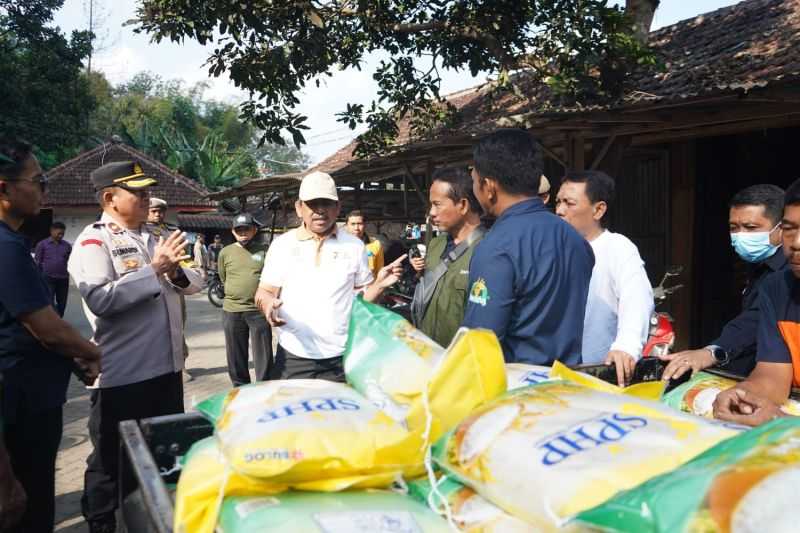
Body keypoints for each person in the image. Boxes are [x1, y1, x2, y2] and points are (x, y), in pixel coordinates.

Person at [68, 160, 203, 533]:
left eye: (146, 191)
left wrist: (174, 270)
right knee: (111, 461)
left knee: (162, 453)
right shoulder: (94, 241)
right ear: (110, 198)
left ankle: (152, 517)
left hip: (166, 369)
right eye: (138, 192)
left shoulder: (158, 235)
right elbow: (101, 300)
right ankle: (100, 522)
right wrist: (155, 269)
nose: (146, 199)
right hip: (123, 375)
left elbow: (195, 282)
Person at [0, 138, 101, 533]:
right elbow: (46, 327)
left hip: (30, 399)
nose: (45, 190)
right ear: (4, 188)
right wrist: (91, 352)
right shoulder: (5, 247)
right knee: (26, 509)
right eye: (38, 181)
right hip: (17, 409)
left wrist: (72, 356)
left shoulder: (15, 243)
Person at [255, 171, 405, 381]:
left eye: (326, 203)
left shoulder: (354, 246)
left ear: (337, 208)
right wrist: (268, 304)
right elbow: (264, 292)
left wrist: (379, 285)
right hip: (294, 356)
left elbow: (362, 302)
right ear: (299, 208)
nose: (320, 210)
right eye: (312, 204)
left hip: (342, 357)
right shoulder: (282, 245)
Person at [462, 129, 595, 365]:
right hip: (567, 387)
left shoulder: (496, 248)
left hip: (518, 392)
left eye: (474, 182)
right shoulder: (576, 240)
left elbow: (480, 345)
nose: (474, 190)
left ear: (489, 187)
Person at [662, 184, 787, 381]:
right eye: (734, 228)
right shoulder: (756, 265)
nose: (741, 235)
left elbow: (755, 320)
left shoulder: (788, 271)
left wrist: (712, 352)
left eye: (751, 227)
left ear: (782, 228)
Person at [712, 179, 800, 425]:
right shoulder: (778, 288)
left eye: (750, 227)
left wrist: (782, 421)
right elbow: (773, 374)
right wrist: (744, 395)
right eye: (791, 229)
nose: (796, 243)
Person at [555, 171, 654, 385]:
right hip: (553, 376)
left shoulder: (617, 248)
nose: (560, 211)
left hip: (598, 375)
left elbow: (636, 299)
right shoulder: (552, 249)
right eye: (558, 202)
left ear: (598, 210)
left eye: (569, 203)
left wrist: (626, 347)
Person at [410, 167, 485, 347]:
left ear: (463, 205)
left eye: (437, 204)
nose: (431, 213)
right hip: (428, 356)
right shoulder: (435, 245)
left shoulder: (487, 250)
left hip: (462, 362)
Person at [218, 213, 273, 386]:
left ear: (254, 230)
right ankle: (239, 388)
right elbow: (223, 277)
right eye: (239, 229)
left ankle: (264, 387)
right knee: (235, 354)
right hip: (232, 310)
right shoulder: (225, 253)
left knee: (263, 354)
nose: (243, 232)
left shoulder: (264, 250)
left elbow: (271, 277)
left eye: (246, 229)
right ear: (233, 232)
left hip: (258, 310)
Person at [147, 196, 194, 382]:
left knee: (178, 324)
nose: (158, 215)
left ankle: (181, 365)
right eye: (154, 211)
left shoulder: (171, 232)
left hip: (174, 285)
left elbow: (185, 257)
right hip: (151, 286)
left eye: (161, 211)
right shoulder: (139, 232)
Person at [34, 221, 72, 316]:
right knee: (49, 302)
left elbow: (67, 260)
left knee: (62, 303)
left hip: (63, 278)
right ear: (52, 231)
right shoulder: (42, 245)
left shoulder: (67, 246)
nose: (61, 236)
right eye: (59, 233)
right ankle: (54, 322)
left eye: (62, 234)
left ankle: (59, 319)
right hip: (47, 278)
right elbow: (38, 262)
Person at [345, 210, 385, 278]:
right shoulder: (339, 244)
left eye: (360, 224)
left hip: (370, 287)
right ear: (347, 225)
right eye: (353, 224)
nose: (356, 228)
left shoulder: (375, 244)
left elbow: (380, 271)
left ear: (365, 225)